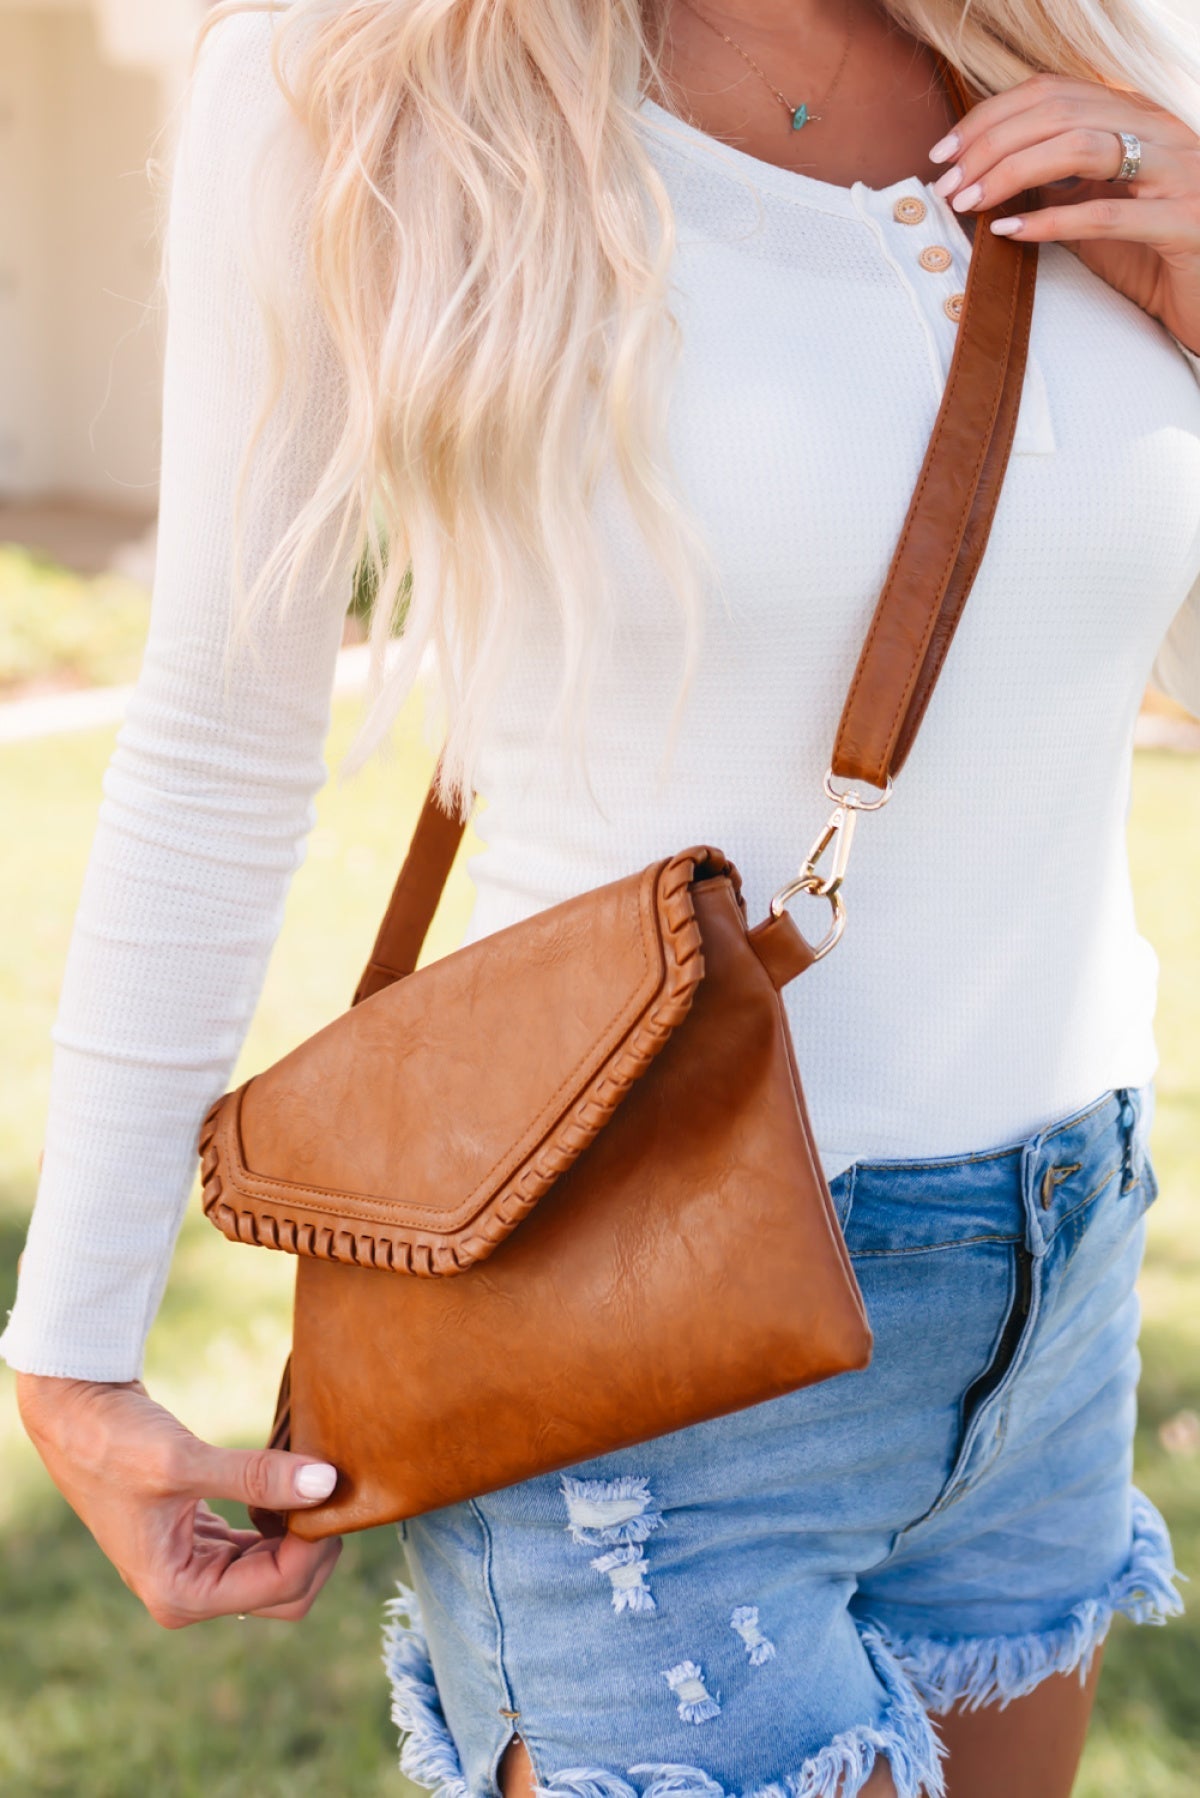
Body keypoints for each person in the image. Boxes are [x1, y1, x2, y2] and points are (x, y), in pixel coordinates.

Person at [7, 1, 1200, 1793]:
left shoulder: (1105, 54)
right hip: (636, 1329)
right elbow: (219, 734)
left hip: (1058, 1264)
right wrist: (82, 1352)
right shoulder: (355, 89)